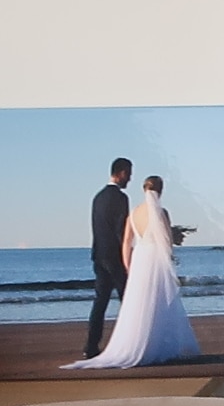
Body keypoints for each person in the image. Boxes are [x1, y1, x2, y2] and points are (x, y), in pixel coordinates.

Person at [73, 172, 201, 369]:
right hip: (154, 259)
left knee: (135, 302)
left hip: (139, 258)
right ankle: (155, 343)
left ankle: (114, 343)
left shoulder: (132, 213)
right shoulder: (161, 212)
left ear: (143, 189)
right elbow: (166, 242)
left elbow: (126, 242)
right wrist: (170, 257)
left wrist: (128, 264)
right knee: (158, 300)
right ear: (160, 190)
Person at [80, 157, 132, 358]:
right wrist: (127, 255)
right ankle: (128, 343)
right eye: (128, 173)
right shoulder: (120, 199)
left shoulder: (98, 197)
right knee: (128, 301)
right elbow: (121, 230)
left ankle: (91, 346)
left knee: (100, 302)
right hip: (114, 257)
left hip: (99, 255)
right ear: (120, 173)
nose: (130, 179)